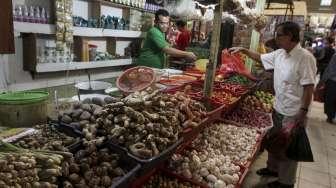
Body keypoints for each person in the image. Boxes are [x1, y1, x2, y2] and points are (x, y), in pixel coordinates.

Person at [229, 21, 317, 188]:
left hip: (293, 111)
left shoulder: (305, 58)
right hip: (278, 106)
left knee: (288, 148)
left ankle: (286, 182)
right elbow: (260, 57)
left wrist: (303, 111)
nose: (275, 38)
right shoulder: (280, 53)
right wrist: (244, 50)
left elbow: (308, 87)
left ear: (290, 36)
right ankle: (272, 169)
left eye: (279, 35)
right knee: (274, 141)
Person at [320, 53, 336, 124]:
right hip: (333, 80)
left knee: (330, 99)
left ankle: (330, 117)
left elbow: (330, 69)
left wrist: (323, 80)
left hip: (333, 81)